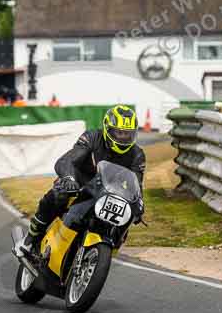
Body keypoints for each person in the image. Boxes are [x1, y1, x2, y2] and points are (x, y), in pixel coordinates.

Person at [23, 105, 146, 253]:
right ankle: (32, 237)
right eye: (119, 133)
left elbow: (136, 185)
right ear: (108, 128)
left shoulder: (137, 155)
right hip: (80, 183)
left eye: (128, 134)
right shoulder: (92, 137)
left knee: (124, 222)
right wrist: (69, 179)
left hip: (109, 192)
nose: (123, 138)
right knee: (58, 194)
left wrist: (138, 205)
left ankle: (99, 252)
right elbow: (68, 160)